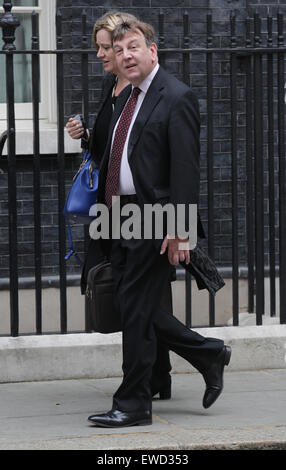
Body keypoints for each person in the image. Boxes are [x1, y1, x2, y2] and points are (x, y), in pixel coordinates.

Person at [87, 18, 231, 428]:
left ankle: (132, 403)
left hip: (155, 218)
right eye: (119, 50)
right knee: (134, 304)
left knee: (134, 309)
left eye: (133, 47)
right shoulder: (128, 96)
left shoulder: (175, 96)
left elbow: (186, 169)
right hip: (119, 215)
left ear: (153, 50)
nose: (125, 55)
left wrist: (180, 229)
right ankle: (207, 353)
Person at [66, 12, 174, 400]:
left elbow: (167, 160)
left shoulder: (148, 93)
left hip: (142, 209)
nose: (102, 54)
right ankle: (156, 376)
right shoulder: (111, 87)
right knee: (126, 288)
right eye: (102, 47)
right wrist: (87, 134)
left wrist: (178, 225)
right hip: (109, 206)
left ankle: (164, 372)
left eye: (105, 46)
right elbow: (108, 150)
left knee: (139, 294)